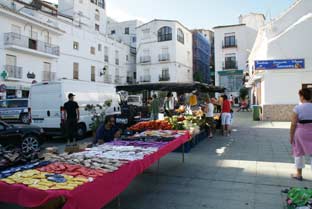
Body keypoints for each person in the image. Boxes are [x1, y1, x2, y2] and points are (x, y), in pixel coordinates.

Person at [290, 88, 312, 181]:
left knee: (298, 152)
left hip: (301, 132)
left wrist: (291, 137)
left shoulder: (297, 108)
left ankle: (299, 175)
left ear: (302, 96)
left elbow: (293, 124)